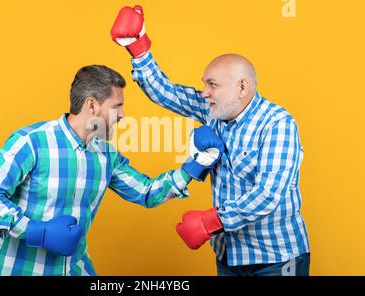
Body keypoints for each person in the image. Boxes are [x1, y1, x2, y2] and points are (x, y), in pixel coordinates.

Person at [110, 5, 310, 276]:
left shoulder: (277, 124)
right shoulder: (214, 111)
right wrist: (138, 45)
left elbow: (268, 195)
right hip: (227, 255)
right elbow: (166, 92)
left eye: (212, 84)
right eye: (204, 84)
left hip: (276, 259)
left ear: (242, 87)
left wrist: (211, 221)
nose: (204, 92)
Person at [0, 64, 224, 276]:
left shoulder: (107, 155)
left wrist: (195, 164)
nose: (123, 115)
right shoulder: (32, 141)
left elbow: (148, 192)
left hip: (75, 268)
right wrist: (38, 231)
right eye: (117, 106)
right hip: (22, 269)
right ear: (92, 106)